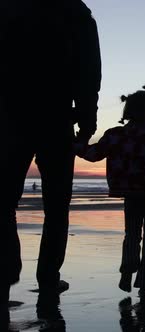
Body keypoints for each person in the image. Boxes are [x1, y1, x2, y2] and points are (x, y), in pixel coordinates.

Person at [0, 0, 101, 322]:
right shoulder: (75, 11)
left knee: (3, 201)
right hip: (55, 116)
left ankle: (6, 268)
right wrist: (87, 118)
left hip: (9, 117)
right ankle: (47, 277)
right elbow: (89, 69)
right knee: (57, 206)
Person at [75, 86, 145, 297]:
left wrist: (76, 143)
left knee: (132, 235)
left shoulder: (115, 135)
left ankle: (127, 272)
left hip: (129, 194)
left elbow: (93, 154)